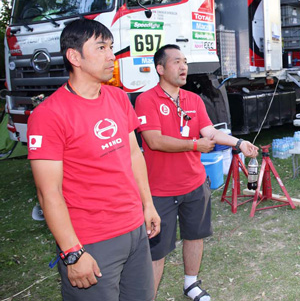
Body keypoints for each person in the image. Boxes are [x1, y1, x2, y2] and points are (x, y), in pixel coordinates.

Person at [27, 19, 160, 300]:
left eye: (111, 47)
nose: (111, 55)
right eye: (101, 47)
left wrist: (147, 205)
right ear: (74, 56)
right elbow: (47, 192)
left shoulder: (119, 98)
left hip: (135, 229)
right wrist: (72, 252)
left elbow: (134, 154)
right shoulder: (48, 115)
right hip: (92, 241)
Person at [134, 44, 259, 301]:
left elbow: (209, 132)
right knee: (157, 251)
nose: (183, 67)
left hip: (194, 184)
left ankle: (191, 284)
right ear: (160, 68)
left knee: (195, 236)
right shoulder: (147, 100)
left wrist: (238, 143)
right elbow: (154, 140)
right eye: (176, 62)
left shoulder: (193, 99)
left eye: (185, 62)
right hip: (159, 190)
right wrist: (194, 145)